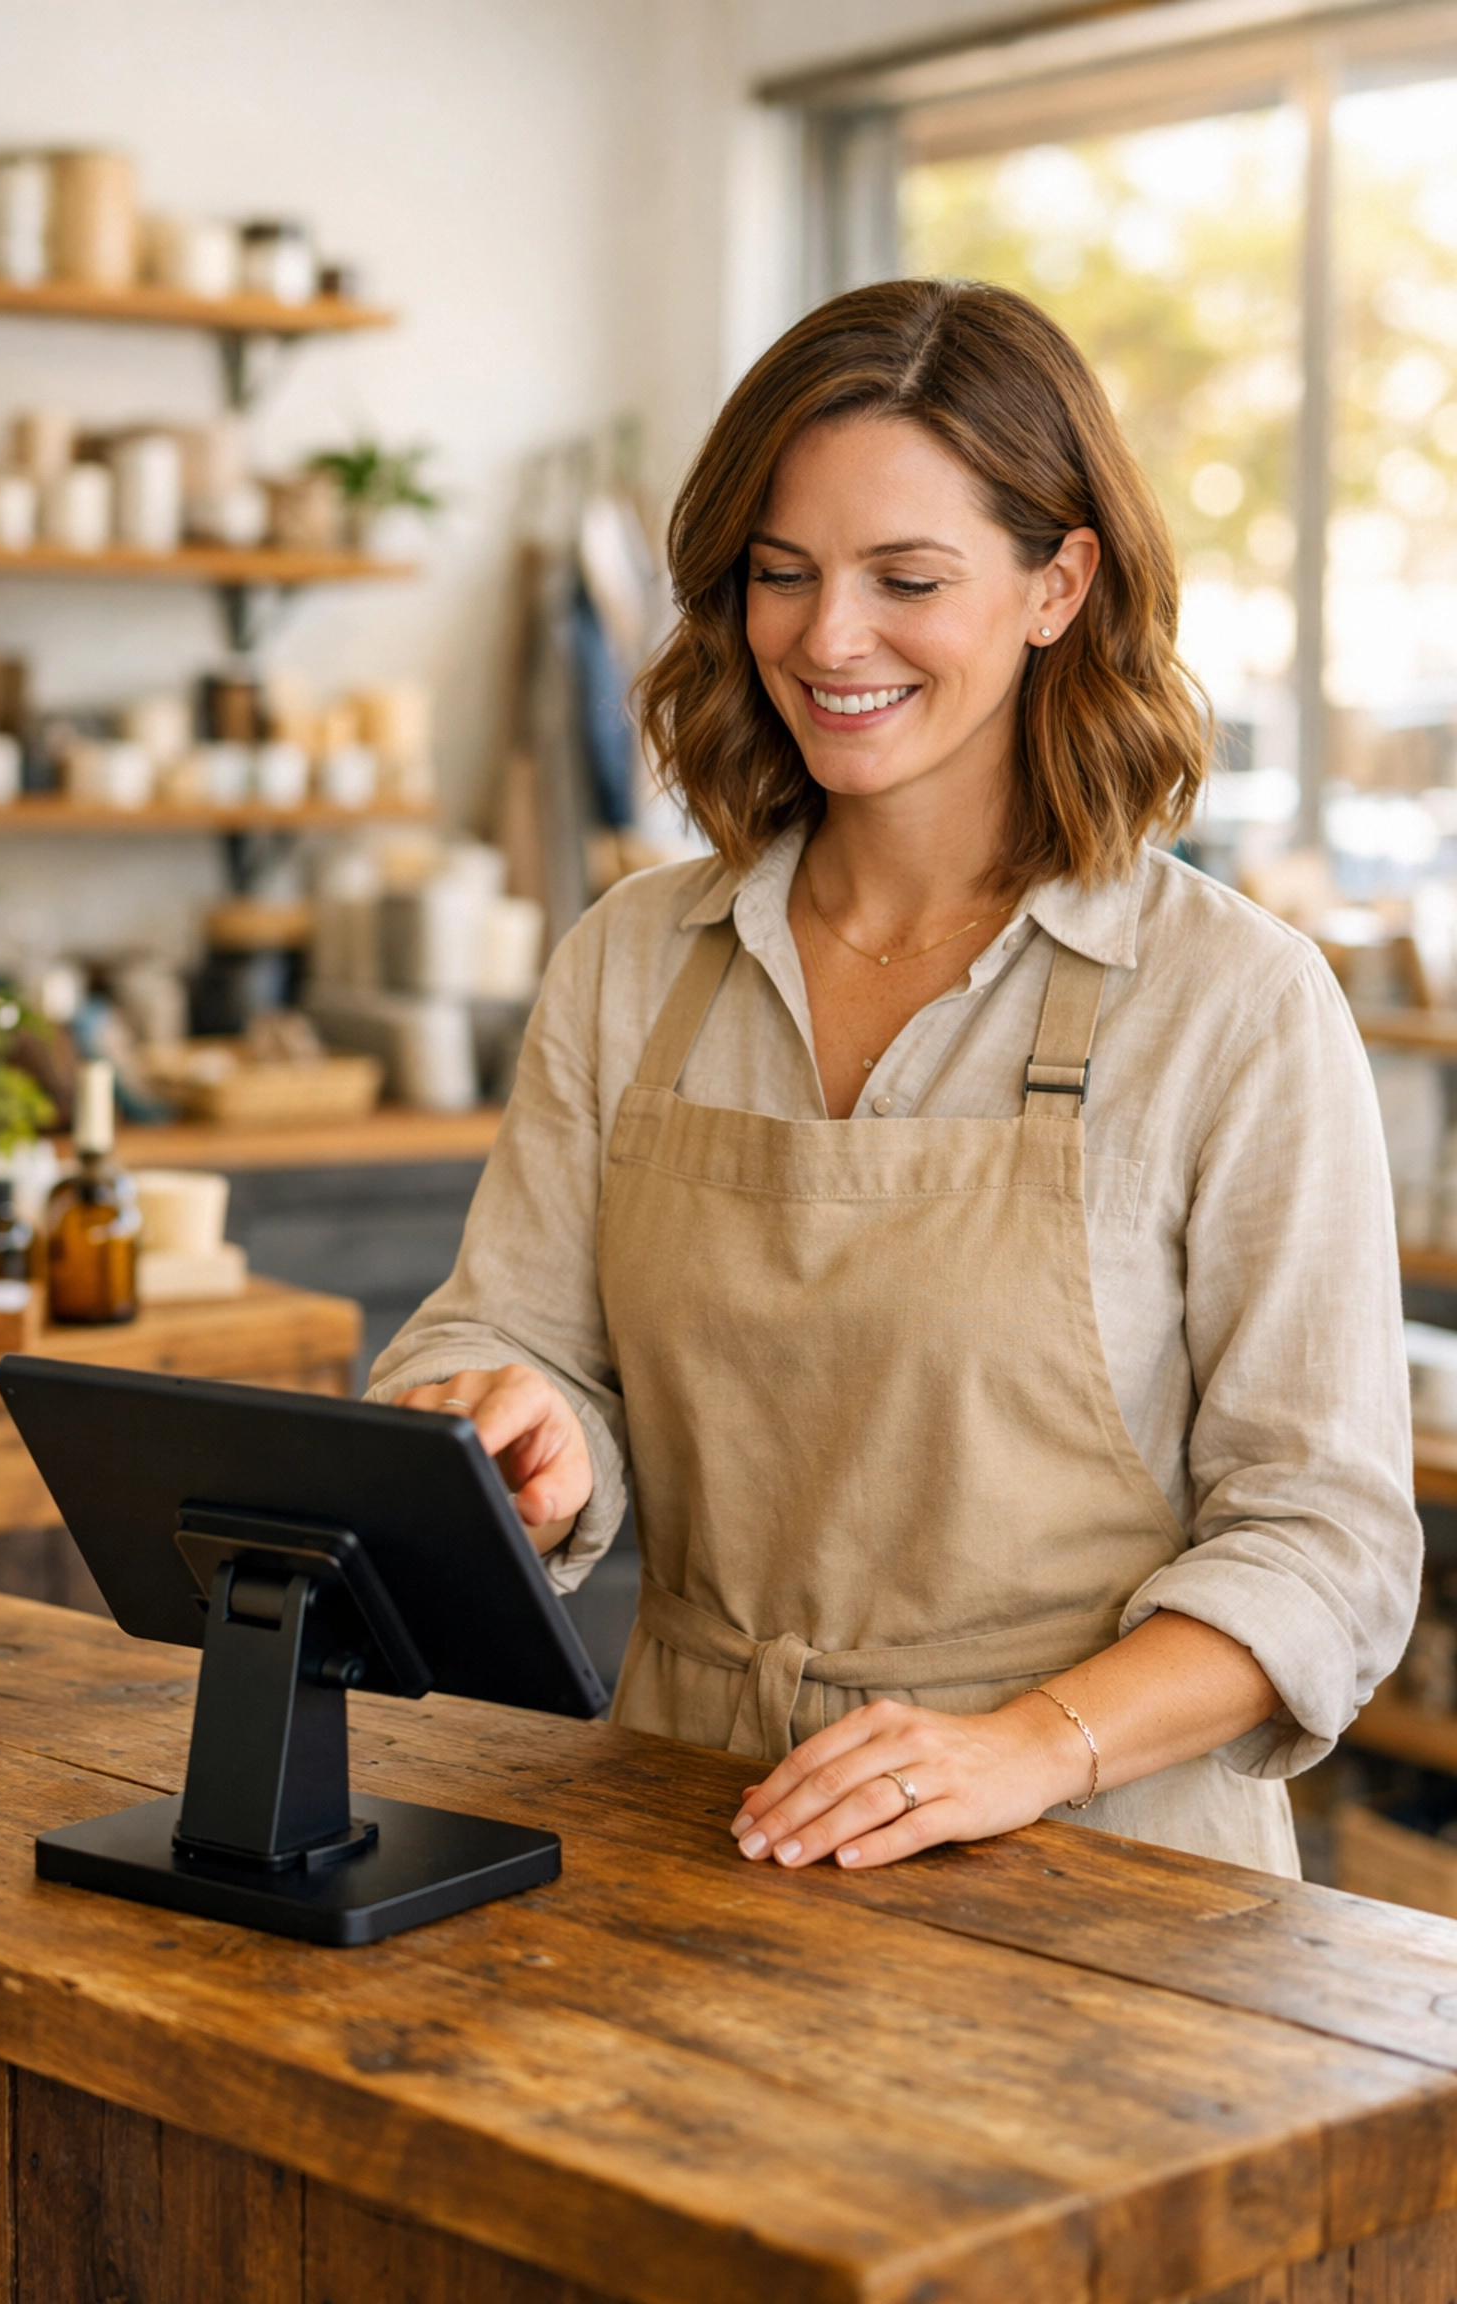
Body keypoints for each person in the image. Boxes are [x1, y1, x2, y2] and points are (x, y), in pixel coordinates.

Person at [369, 278, 1420, 1879]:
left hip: (1109, 1874)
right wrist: (517, 1420)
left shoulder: (1233, 1006)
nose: (825, 637)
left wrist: (1025, 1747)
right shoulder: (635, 960)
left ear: (1060, 583)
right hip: (690, 1827)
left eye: (904, 578)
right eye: (779, 575)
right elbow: (507, 1328)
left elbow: (1327, 1543)